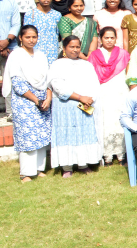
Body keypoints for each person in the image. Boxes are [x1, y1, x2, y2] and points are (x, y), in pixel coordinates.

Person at [49, 36, 101, 176]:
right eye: (71, 47)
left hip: (84, 106)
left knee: (83, 134)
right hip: (65, 106)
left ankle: (83, 164)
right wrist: (79, 97)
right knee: (67, 135)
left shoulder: (86, 64)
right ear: (64, 48)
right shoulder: (57, 64)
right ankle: (67, 167)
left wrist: (90, 99)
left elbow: (95, 84)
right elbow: (57, 87)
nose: (75, 49)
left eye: (77, 47)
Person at [7, 26, 53, 181]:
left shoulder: (40, 55)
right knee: (28, 135)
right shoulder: (16, 55)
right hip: (25, 101)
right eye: (28, 37)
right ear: (20, 37)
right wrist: (36, 100)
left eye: (34, 37)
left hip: (43, 100)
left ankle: (40, 168)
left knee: (41, 133)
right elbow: (17, 83)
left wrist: (48, 97)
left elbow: (48, 79)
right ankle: (26, 172)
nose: (31, 40)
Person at [91, 27, 130, 163]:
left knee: (119, 120)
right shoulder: (95, 55)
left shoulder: (123, 54)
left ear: (116, 38)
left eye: (112, 37)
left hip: (120, 90)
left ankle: (121, 153)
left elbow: (127, 73)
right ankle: (107, 154)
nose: (109, 40)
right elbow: (92, 76)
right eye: (106, 37)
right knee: (105, 121)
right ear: (101, 39)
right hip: (103, 91)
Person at [26, 0, 61, 64]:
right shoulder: (30, 14)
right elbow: (26, 34)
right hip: (35, 50)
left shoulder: (57, 15)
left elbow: (58, 34)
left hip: (53, 51)